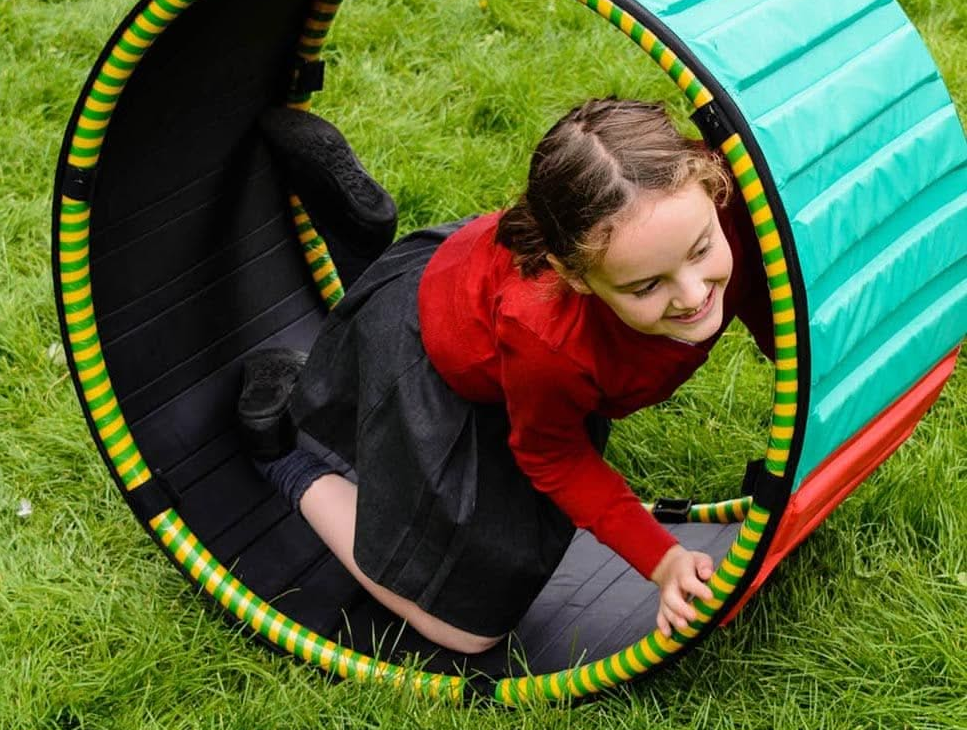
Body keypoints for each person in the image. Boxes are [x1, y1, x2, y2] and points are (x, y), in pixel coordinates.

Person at [239, 99, 774, 654]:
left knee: (480, 299)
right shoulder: (548, 341)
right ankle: (282, 452)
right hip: (435, 359)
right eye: (646, 287)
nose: (693, 296)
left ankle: (357, 239)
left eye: (703, 250)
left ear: (713, 190)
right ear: (578, 277)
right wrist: (660, 560)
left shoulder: (716, 210)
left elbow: (773, 296)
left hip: (476, 277)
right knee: (467, 631)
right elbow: (552, 455)